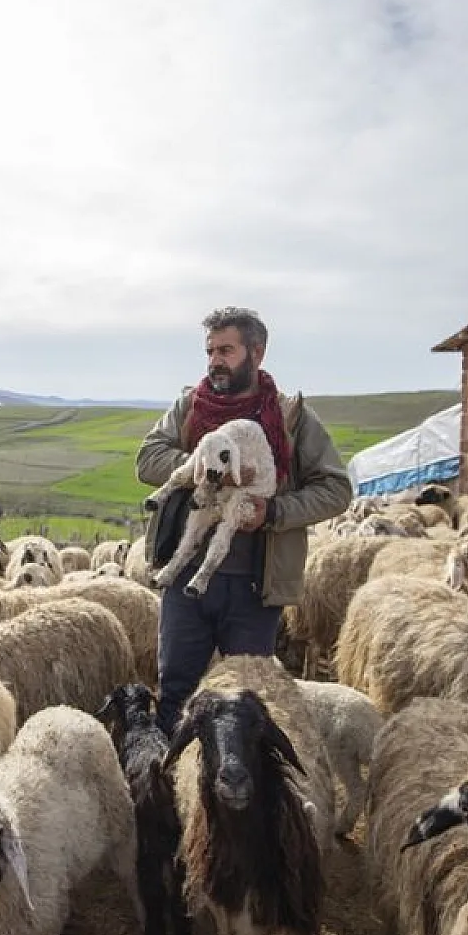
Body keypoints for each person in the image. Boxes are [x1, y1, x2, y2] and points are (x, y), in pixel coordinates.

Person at [136, 306, 352, 734]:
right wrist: (204, 466)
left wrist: (272, 512)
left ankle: (241, 795)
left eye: (226, 350)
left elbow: (336, 490)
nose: (215, 360)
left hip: (254, 586)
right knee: (176, 692)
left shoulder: (291, 419)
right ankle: (166, 794)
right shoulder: (190, 407)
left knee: (249, 700)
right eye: (210, 351)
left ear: (257, 352)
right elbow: (148, 459)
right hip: (187, 581)